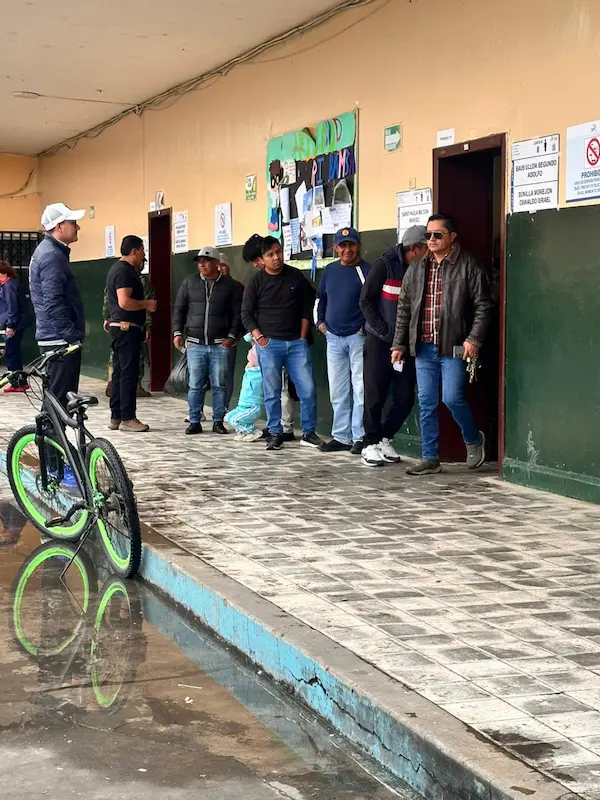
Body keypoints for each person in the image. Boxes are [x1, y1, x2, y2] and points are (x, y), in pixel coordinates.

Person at [392, 213, 492, 475]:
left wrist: (474, 339)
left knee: (452, 397)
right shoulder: (417, 267)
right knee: (426, 402)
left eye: (438, 234)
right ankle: (430, 457)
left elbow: (484, 305)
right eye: (428, 235)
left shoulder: (468, 265)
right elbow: (404, 308)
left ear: (452, 237)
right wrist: (399, 344)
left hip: (454, 345)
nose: (432, 239)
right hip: (423, 347)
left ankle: (473, 439)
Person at [241, 236, 322, 451]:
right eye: (270, 254)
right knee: (272, 391)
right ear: (262, 259)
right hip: (269, 345)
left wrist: (303, 337)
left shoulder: (295, 276)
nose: (276, 257)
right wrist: (260, 339)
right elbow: (246, 315)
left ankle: (309, 432)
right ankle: (275, 433)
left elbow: (307, 307)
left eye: (278, 252)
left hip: (296, 343)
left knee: (308, 389)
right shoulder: (256, 282)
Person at [358, 226, 428, 468]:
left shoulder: (423, 267)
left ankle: (385, 437)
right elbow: (365, 300)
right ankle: (369, 443)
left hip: (407, 345)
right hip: (380, 341)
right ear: (415, 249)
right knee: (375, 394)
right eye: (426, 247)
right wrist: (385, 332)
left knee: (405, 396)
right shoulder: (385, 264)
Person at [173, 246, 241, 435]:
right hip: (195, 343)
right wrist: (177, 332)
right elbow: (179, 309)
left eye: (206, 260)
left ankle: (218, 421)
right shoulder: (189, 283)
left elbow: (238, 315)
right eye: (200, 261)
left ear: (217, 263)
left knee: (220, 384)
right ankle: (194, 420)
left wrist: (231, 337)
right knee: (195, 384)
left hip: (220, 343)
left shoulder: (230, 286)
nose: (202, 264)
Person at [317, 228, 369, 455]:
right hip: (333, 338)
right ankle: (341, 436)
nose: (347, 249)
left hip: (357, 337)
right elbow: (321, 299)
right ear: (335, 248)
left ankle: (360, 437)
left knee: (360, 388)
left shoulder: (367, 270)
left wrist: (364, 328)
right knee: (338, 390)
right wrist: (320, 323)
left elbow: (375, 303)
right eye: (342, 245)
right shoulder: (329, 270)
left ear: (358, 245)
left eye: (351, 244)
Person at [29, 203, 86, 407]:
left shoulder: (51, 251)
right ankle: (50, 438)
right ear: (58, 227)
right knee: (59, 402)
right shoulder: (52, 255)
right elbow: (52, 301)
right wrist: (71, 337)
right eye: (73, 223)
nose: (77, 227)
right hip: (59, 340)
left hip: (55, 337)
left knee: (57, 402)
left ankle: (53, 438)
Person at [242, 233, 297, 442]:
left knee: (283, 385)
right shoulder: (257, 281)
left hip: (283, 339)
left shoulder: (287, 277)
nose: (257, 264)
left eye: (257, 259)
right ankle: (275, 425)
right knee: (272, 385)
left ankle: (286, 427)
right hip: (263, 340)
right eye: (256, 260)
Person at [105, 235, 157, 433]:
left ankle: (116, 415)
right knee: (128, 374)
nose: (144, 255)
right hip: (126, 328)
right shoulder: (124, 272)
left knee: (119, 373)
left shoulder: (117, 270)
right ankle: (128, 417)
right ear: (134, 251)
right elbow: (124, 302)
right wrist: (147, 304)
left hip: (120, 328)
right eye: (142, 250)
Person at [103, 269, 156, 398]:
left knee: (115, 354)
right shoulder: (141, 280)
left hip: (115, 322)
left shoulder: (115, 274)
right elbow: (148, 305)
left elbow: (108, 297)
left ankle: (112, 381)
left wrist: (107, 317)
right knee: (137, 355)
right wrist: (148, 325)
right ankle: (135, 385)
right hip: (134, 324)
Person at [225, 335, 263, 441]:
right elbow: (247, 337)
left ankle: (252, 431)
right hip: (243, 404)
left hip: (252, 405)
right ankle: (242, 432)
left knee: (235, 420)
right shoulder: (249, 371)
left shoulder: (259, 372)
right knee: (228, 417)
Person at [218, 253, 244, 410]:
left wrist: (236, 335)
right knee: (202, 377)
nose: (220, 269)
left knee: (226, 375)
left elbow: (243, 314)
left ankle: (223, 408)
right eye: (218, 265)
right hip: (206, 340)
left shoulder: (238, 287)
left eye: (224, 265)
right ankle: (198, 410)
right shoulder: (205, 286)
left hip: (229, 338)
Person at [0, 262, 31, 393]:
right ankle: (19, 381)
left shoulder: (9, 285)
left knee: (12, 353)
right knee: (13, 352)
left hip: (14, 324)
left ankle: (17, 382)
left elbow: (12, 306)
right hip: (15, 323)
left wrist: (10, 325)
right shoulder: (9, 284)